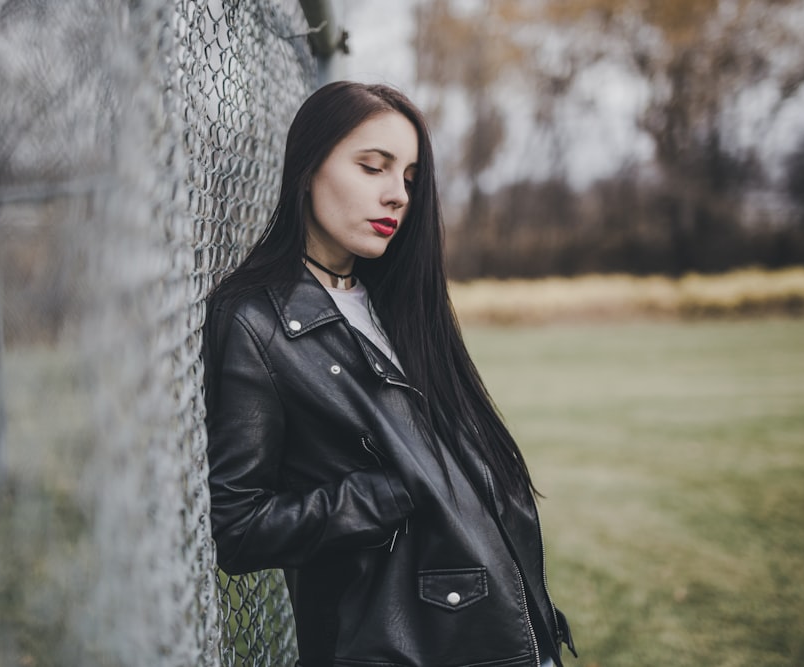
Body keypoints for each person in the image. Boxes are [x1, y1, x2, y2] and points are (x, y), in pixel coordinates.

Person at [202, 81, 577, 667]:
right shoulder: (257, 323)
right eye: (373, 167)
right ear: (307, 169)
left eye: (407, 177)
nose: (398, 195)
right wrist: (390, 491)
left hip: (497, 634)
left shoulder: (395, 302)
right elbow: (238, 525)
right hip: (393, 646)